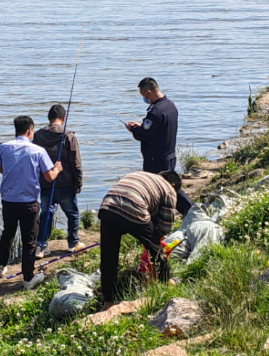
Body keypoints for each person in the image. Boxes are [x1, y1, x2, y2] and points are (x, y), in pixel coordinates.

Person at [0, 115, 63, 289]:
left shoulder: (3, 147)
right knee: (29, 241)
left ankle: (1, 266)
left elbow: (2, 169)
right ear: (30, 130)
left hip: (8, 200)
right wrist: (58, 169)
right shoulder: (38, 151)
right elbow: (49, 177)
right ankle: (28, 278)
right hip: (29, 203)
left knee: (7, 232)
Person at [98, 171, 181, 311]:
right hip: (134, 205)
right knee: (156, 248)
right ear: (173, 184)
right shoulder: (169, 189)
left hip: (107, 206)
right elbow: (166, 227)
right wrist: (153, 237)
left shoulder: (142, 175)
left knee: (108, 257)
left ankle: (108, 302)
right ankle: (167, 282)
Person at [125, 77, 194, 216]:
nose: (144, 98)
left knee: (156, 191)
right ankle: (191, 210)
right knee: (171, 187)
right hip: (169, 156)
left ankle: (157, 222)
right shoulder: (170, 106)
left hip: (155, 161)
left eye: (143, 95)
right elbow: (156, 129)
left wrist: (133, 129)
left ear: (148, 92)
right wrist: (142, 126)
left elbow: (143, 135)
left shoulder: (155, 112)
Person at [32, 104, 85, 258]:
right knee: (73, 214)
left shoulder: (38, 136)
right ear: (63, 118)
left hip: (46, 183)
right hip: (66, 184)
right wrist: (79, 182)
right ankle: (72, 243)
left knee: (45, 214)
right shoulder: (68, 136)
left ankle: (40, 246)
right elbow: (76, 163)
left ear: (49, 118)